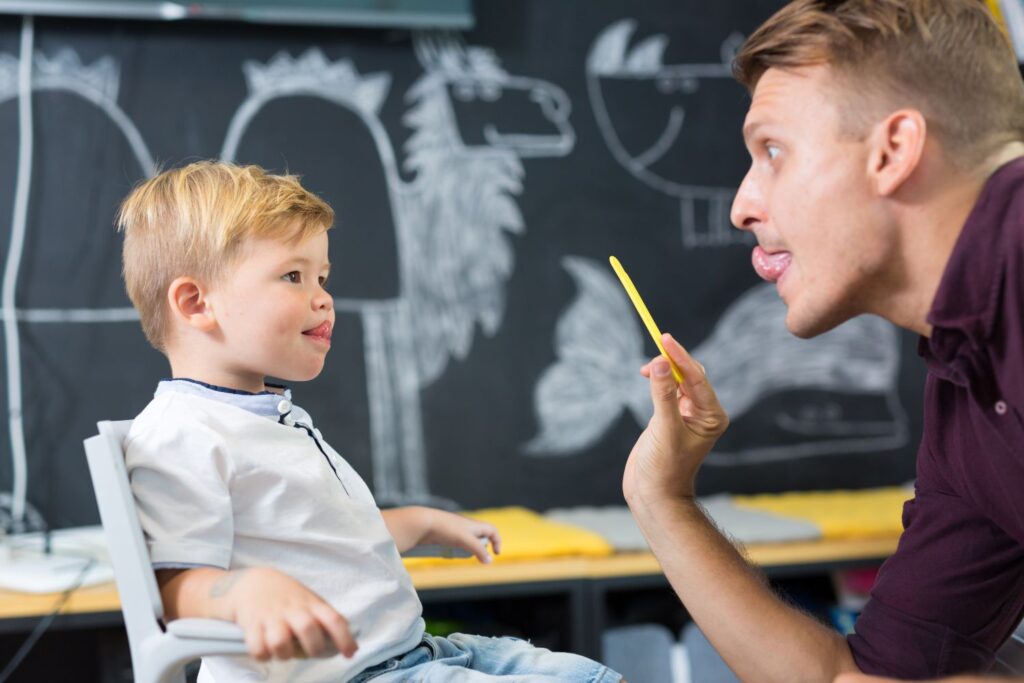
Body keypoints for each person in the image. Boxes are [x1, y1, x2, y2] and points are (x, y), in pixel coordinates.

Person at [622, 0, 1024, 680]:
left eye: (772, 149)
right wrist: (661, 499)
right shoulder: (966, 391)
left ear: (892, 151)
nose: (742, 205)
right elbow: (863, 679)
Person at [117, 161, 622, 683]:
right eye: (293, 276)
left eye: (322, 277)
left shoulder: (270, 418)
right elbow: (172, 588)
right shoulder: (181, 433)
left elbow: (321, 540)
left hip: (414, 653)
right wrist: (243, 592)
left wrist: (418, 522)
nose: (323, 297)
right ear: (196, 303)